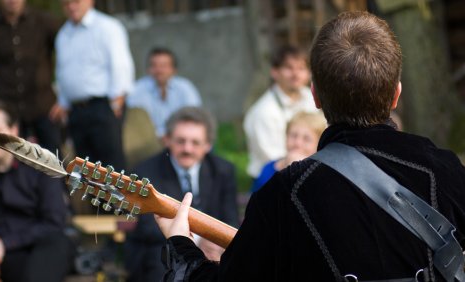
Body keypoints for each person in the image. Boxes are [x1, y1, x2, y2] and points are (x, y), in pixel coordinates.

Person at [155, 11, 465, 281]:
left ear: (315, 96)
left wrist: (180, 243)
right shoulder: (448, 172)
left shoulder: (284, 193)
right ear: (396, 94)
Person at [125, 106, 239, 282]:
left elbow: (230, 218)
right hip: (162, 249)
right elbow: (147, 227)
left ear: (208, 145)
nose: (187, 149)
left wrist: (215, 245)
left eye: (195, 142)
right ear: (167, 140)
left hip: (213, 251)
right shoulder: (146, 172)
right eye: (180, 141)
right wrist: (196, 243)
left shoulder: (223, 171)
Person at [0, 100, 71, 282]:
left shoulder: (40, 166)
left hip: (41, 248)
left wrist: (6, 242)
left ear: (13, 131)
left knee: (54, 244)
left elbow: (54, 222)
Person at [51, 0, 134, 170]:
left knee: (112, 168)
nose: (71, 6)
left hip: (103, 106)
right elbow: (63, 72)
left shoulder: (107, 27)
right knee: (87, 169)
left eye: (76, 2)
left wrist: (117, 100)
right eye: (66, 3)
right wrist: (64, 102)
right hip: (76, 111)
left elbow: (120, 64)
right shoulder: (63, 34)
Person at [0, 0, 62, 154]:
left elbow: (67, 58)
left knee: (55, 163)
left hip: (44, 109)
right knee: (12, 164)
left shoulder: (45, 22)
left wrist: (64, 100)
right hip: (9, 111)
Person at [243, 45, 318, 179]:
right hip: (270, 178)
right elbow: (276, 160)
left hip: (306, 172)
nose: (296, 74)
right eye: (289, 68)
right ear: (275, 72)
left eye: (301, 68)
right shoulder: (264, 112)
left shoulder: (310, 98)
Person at [126, 47, 202, 138]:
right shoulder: (137, 89)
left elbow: (194, 116)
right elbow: (137, 123)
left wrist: (172, 136)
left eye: (164, 66)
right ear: (148, 69)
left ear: (174, 70)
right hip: (149, 139)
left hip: (180, 137)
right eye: (154, 65)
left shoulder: (185, 88)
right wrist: (162, 136)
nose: (159, 70)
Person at [250, 111, 327, 193]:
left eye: (306, 139)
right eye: (293, 135)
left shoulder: (322, 174)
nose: (297, 143)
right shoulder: (269, 168)